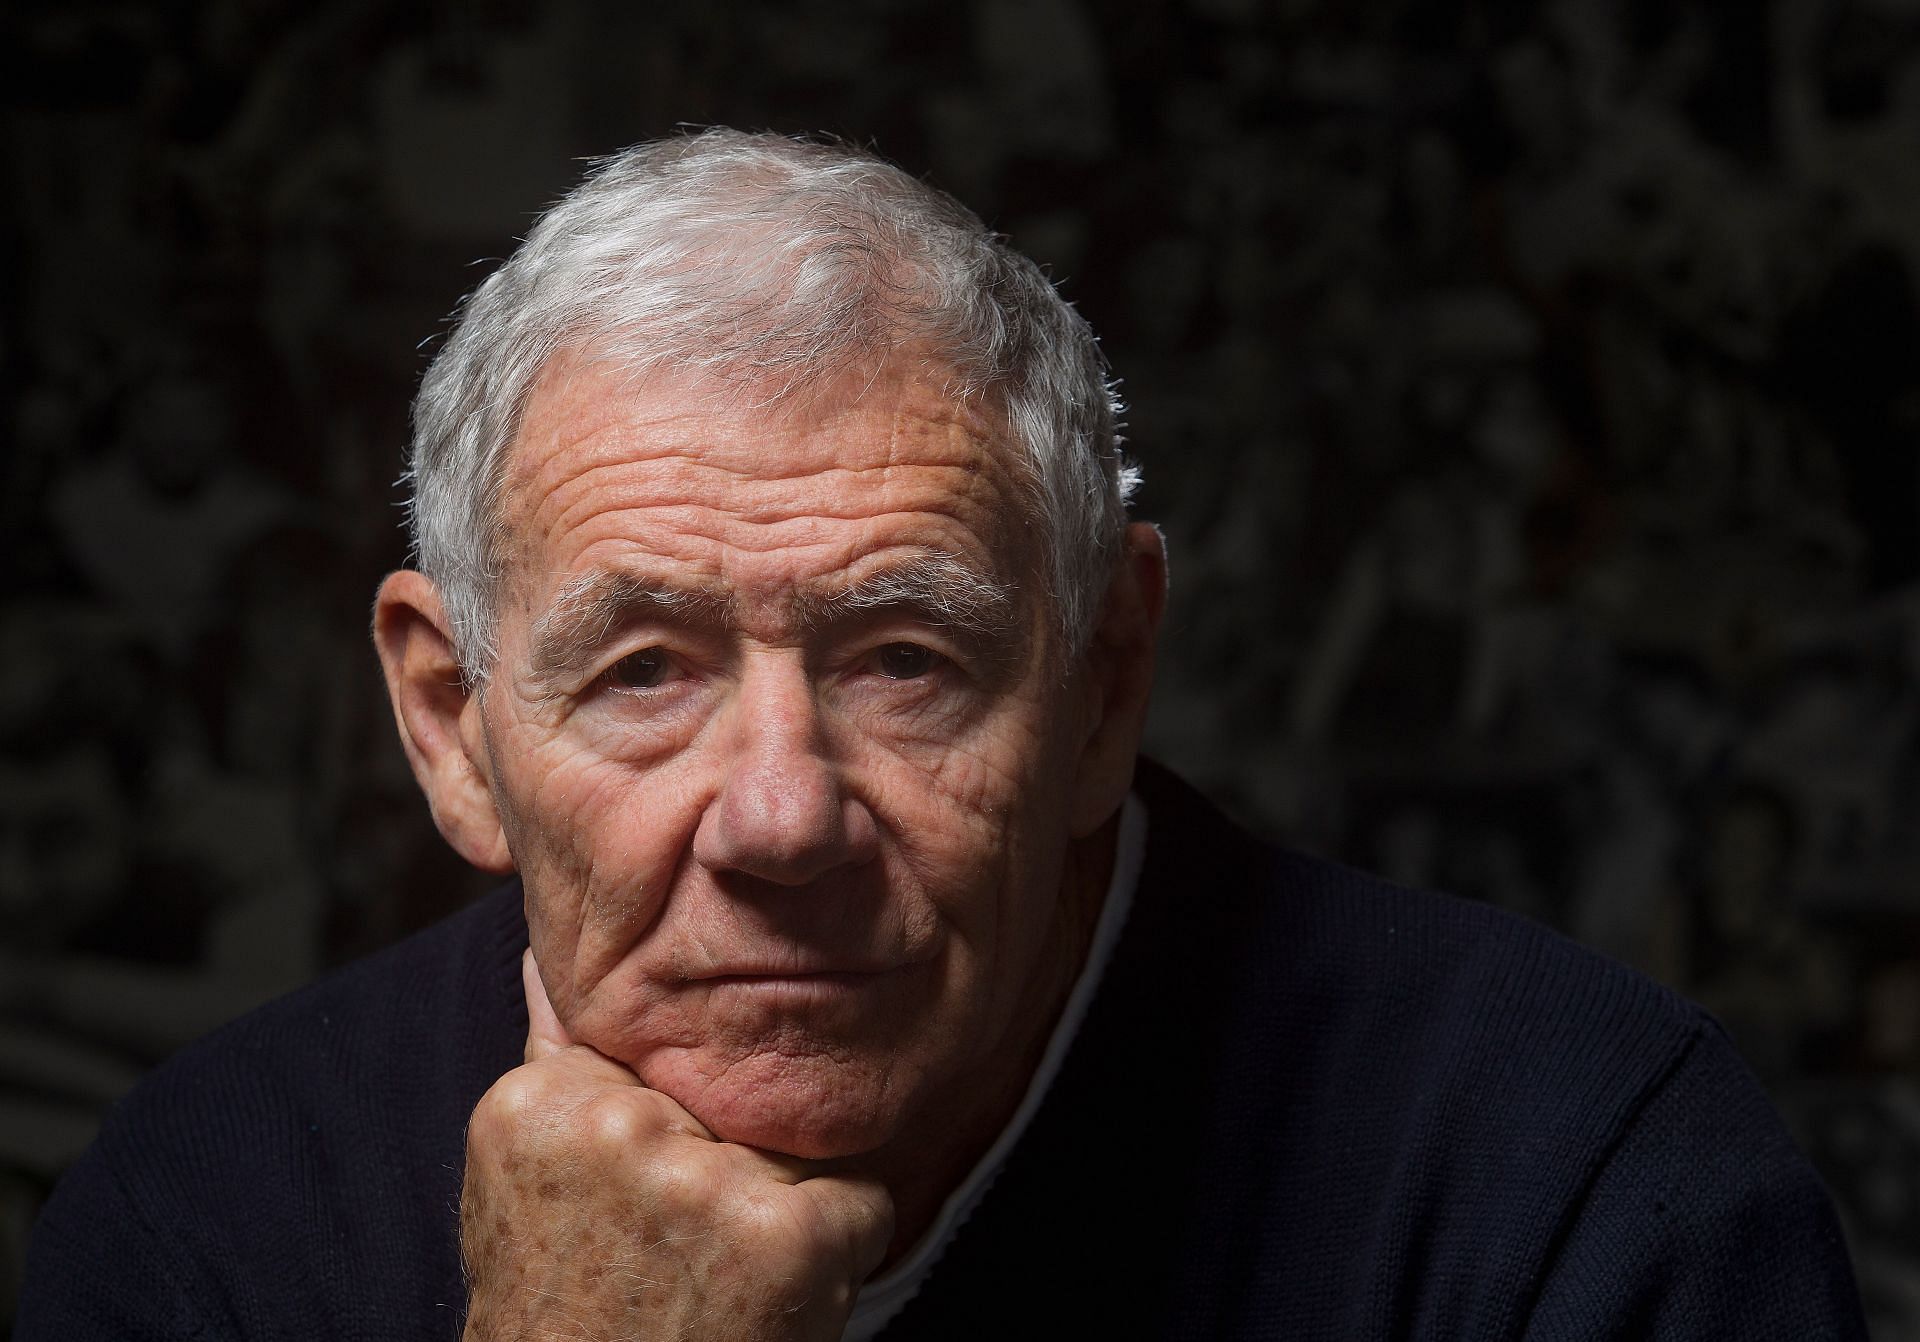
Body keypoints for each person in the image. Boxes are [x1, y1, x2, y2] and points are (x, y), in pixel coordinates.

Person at [18, 129, 1868, 1340]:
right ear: (453, 723)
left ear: (1103, 686)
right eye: (646, 667)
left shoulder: (1577, 1193)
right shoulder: (210, 1224)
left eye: (904, 657)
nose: (779, 814)